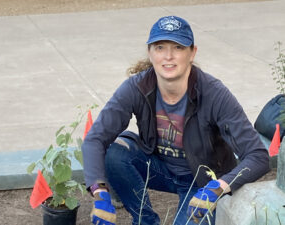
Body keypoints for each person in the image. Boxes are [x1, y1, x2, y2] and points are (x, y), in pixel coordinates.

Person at [82, 15, 270, 225]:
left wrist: (218, 187)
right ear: (150, 53)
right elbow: (95, 139)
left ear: (192, 53)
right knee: (114, 151)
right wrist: (99, 192)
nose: (168, 56)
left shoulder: (214, 94)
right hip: (161, 170)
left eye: (178, 47)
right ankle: (145, 220)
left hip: (202, 182)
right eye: (160, 47)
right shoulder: (137, 88)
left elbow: (258, 155)